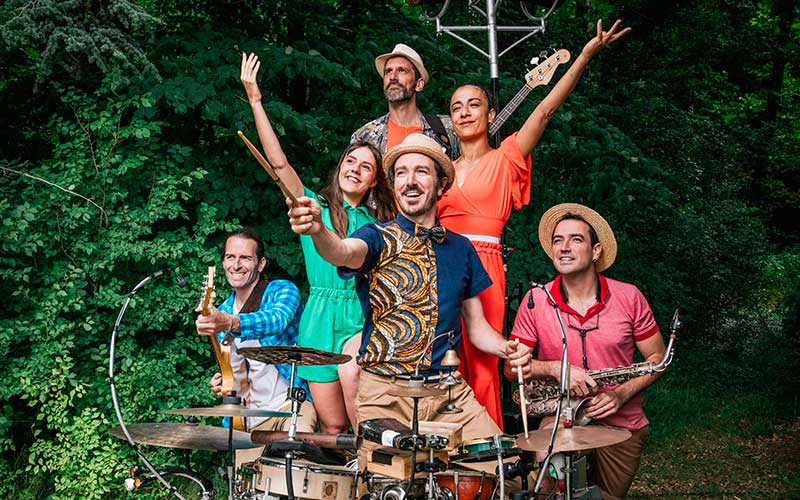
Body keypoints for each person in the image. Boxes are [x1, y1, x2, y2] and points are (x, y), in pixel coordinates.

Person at [438, 19, 632, 429]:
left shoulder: (506, 155)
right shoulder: (443, 172)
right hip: (443, 264)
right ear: (450, 121)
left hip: (484, 265)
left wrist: (584, 55)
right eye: (457, 108)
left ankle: (486, 454)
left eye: (473, 104)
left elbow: (544, 111)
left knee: (486, 365)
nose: (465, 112)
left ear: (490, 114)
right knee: (444, 360)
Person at [286, 133, 531, 452]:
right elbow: (344, 251)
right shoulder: (375, 236)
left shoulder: (462, 249)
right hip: (384, 397)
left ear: (442, 185)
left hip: (448, 393)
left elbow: (478, 329)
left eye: (421, 171)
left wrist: (508, 349)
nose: (410, 181)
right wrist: (319, 229)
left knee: (501, 464)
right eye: (401, 172)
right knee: (388, 485)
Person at [240, 52, 396, 434]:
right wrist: (255, 100)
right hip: (318, 323)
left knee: (364, 415)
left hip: (360, 319)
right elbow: (279, 166)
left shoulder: (381, 224)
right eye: (350, 162)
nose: (354, 169)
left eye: (365, 167)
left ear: (374, 181)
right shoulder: (314, 207)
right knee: (333, 429)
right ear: (340, 167)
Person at [506, 203, 667, 500]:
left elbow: (658, 360)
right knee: (549, 489)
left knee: (606, 497)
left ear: (595, 251)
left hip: (621, 420)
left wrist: (620, 394)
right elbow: (511, 368)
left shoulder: (629, 297)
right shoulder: (535, 300)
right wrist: (556, 369)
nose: (564, 248)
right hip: (561, 416)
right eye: (558, 240)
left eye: (575, 239)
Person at [195, 228, 317, 463]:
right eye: (230, 257)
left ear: (260, 264)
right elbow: (237, 369)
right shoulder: (223, 310)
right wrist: (223, 380)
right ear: (222, 263)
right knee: (247, 488)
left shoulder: (282, 290)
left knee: (296, 472)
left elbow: (276, 320)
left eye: (245, 258)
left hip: (290, 406)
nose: (236, 264)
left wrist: (231, 322)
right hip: (248, 419)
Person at [351, 43, 461, 159]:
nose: (393, 77)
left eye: (402, 70)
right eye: (388, 71)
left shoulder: (448, 129)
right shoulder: (365, 137)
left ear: (419, 84)